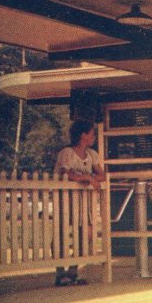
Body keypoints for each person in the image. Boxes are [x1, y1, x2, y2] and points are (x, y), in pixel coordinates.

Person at [53, 120, 105, 286]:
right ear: (83, 135)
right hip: (65, 199)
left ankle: (73, 270)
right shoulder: (67, 152)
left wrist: (88, 178)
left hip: (83, 202)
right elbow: (66, 174)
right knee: (61, 234)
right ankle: (60, 272)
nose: (94, 137)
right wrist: (87, 177)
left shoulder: (92, 155)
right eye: (92, 133)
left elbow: (102, 175)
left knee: (87, 233)